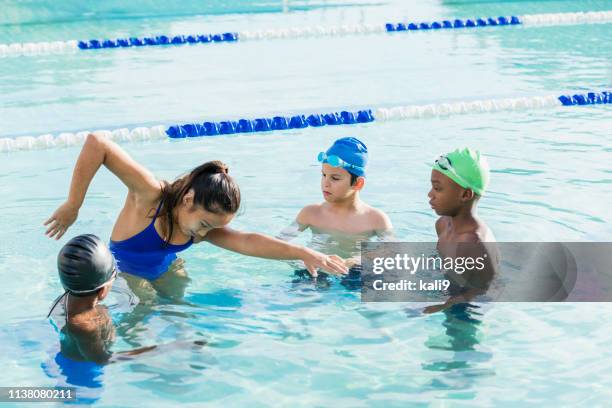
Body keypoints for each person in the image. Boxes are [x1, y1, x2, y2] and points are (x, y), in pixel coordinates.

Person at [44, 133, 347, 299]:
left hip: (167, 268)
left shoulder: (201, 227)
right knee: (145, 314)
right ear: (188, 198)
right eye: (204, 224)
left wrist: (305, 252)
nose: (204, 235)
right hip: (126, 272)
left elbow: (248, 242)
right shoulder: (150, 196)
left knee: (181, 314)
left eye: (211, 229)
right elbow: (98, 144)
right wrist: (73, 204)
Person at [280, 137, 392, 287]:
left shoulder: (376, 219)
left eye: (335, 178)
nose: (325, 183)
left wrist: (357, 260)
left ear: (358, 183)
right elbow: (279, 244)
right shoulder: (311, 213)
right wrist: (303, 259)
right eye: (323, 175)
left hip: (353, 272)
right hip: (314, 271)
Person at [424, 148, 498, 313]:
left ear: (465, 195)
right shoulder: (442, 224)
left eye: (438, 188)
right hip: (452, 289)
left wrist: (442, 306)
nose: (430, 194)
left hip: (471, 310)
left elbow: (485, 291)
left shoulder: (474, 243)